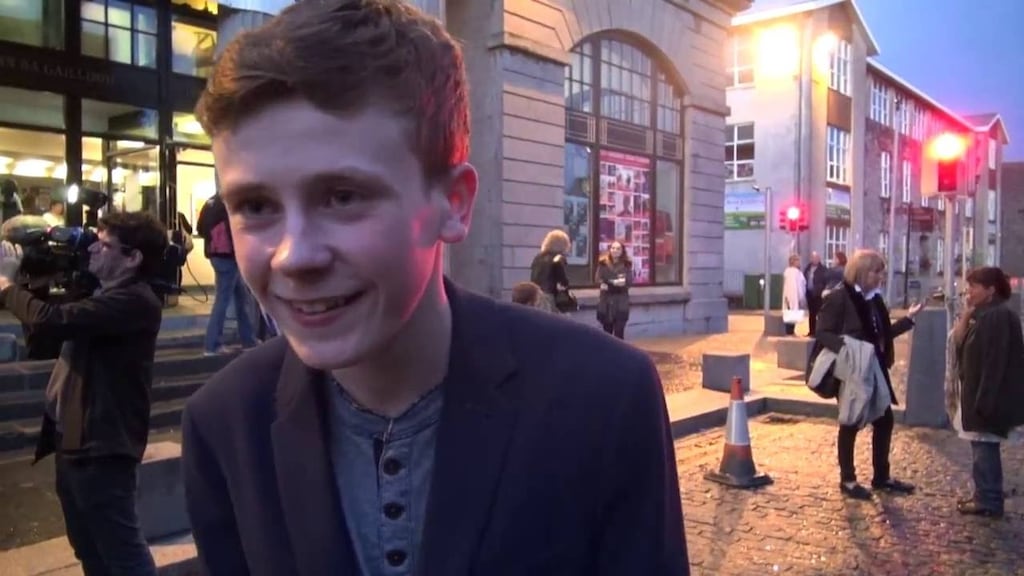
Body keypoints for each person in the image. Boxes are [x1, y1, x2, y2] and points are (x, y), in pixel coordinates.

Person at [180, 2, 689, 575]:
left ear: (453, 203)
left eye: (342, 196)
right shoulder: (224, 424)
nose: (295, 255)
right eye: (255, 206)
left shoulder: (604, 398)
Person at [0, 212, 168, 575]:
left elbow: (48, 320)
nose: (92, 248)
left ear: (132, 258)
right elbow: (44, 335)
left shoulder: (136, 301)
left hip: (103, 444)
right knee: (88, 547)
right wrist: (37, 277)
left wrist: (5, 284)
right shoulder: (99, 292)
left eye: (105, 245)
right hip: (73, 438)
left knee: (121, 552)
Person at [815, 249, 923, 500]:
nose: (881, 277)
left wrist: (908, 320)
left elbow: (880, 335)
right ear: (862, 271)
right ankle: (848, 479)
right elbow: (823, 332)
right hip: (852, 369)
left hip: (874, 368)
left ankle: (881, 477)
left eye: (881, 272)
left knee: (884, 420)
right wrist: (849, 350)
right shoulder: (840, 297)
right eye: (877, 272)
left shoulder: (874, 300)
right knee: (850, 422)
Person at [946, 267, 1024, 517]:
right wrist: (966, 316)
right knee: (981, 449)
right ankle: (984, 494)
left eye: (974, 287)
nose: (969, 291)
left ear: (990, 290)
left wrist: (984, 401)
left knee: (984, 449)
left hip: (986, 397)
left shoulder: (997, 316)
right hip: (978, 394)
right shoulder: (984, 315)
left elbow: (995, 361)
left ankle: (989, 499)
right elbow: (960, 345)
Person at [595, 240, 632, 339]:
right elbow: (598, 279)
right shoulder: (603, 263)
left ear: (622, 251)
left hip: (621, 302)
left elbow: (628, 282)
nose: (615, 250)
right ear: (610, 250)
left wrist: (610, 283)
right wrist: (614, 283)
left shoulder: (626, 264)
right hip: (606, 302)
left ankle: (620, 353)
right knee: (607, 333)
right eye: (613, 248)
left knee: (619, 332)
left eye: (618, 248)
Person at [782, 254, 806, 336]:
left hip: (789, 297)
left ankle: (790, 331)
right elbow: (799, 286)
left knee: (790, 314)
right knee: (791, 315)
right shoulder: (795, 273)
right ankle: (790, 332)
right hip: (793, 296)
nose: (799, 262)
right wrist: (801, 297)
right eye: (798, 261)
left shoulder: (788, 272)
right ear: (794, 262)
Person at [804, 251, 827, 336]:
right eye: (813, 257)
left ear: (819, 259)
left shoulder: (823, 269)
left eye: (816, 258)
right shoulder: (808, 268)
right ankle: (811, 331)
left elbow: (825, 281)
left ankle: (818, 332)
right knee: (811, 314)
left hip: (818, 295)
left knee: (819, 314)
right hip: (809, 294)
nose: (814, 259)